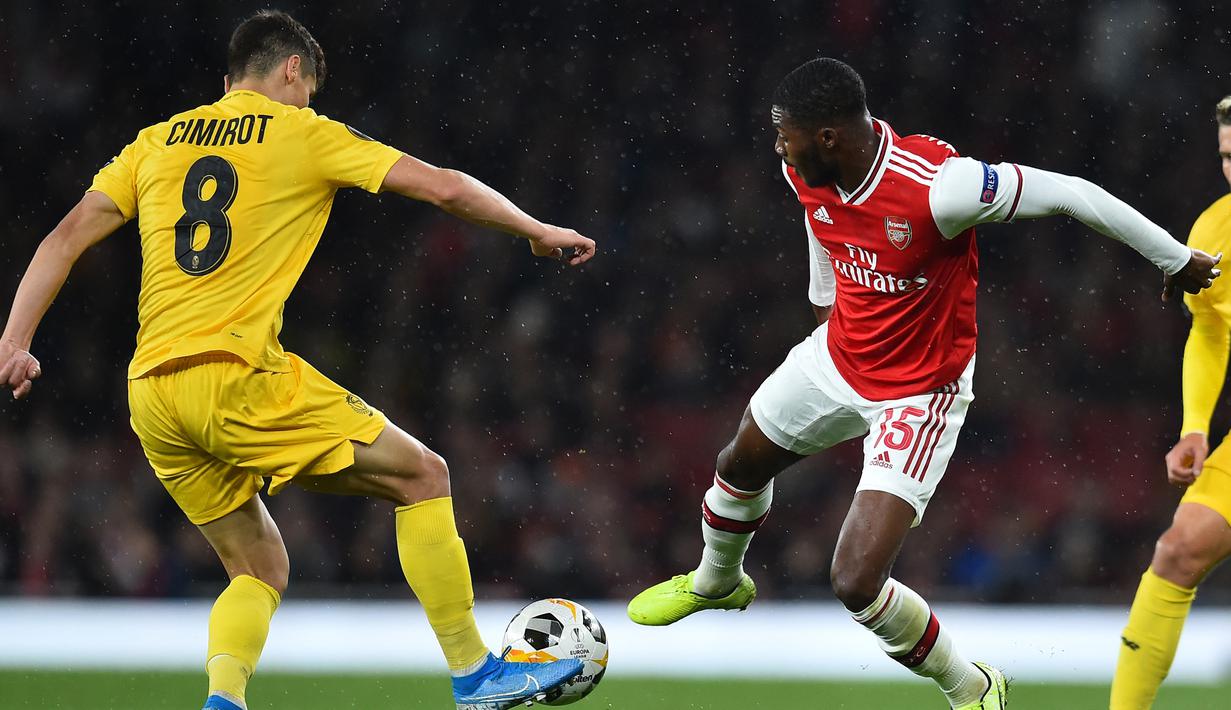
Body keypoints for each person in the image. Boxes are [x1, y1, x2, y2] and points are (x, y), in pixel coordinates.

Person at [0, 11, 595, 710]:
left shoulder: (154, 143)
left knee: (257, 566)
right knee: (422, 475)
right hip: (235, 372)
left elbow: (65, 237)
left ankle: (224, 702)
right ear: (291, 72)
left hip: (152, 395)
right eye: (308, 90)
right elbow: (441, 185)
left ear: (227, 83)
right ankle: (475, 676)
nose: (309, 102)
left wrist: (15, 341)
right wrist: (533, 228)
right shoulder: (303, 132)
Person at [626, 58, 1221, 710]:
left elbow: (1072, 193)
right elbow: (818, 221)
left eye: (785, 133)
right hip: (840, 353)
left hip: (921, 389)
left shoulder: (941, 186)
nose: (777, 145)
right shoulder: (806, 167)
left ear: (828, 135)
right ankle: (717, 580)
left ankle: (972, 688)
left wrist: (1175, 257)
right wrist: (823, 301)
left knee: (854, 580)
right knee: (738, 463)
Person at [1110, 97, 1231, 709]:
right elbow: (1211, 331)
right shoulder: (1214, 233)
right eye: (1228, 158)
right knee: (1178, 549)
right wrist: (1195, 428)